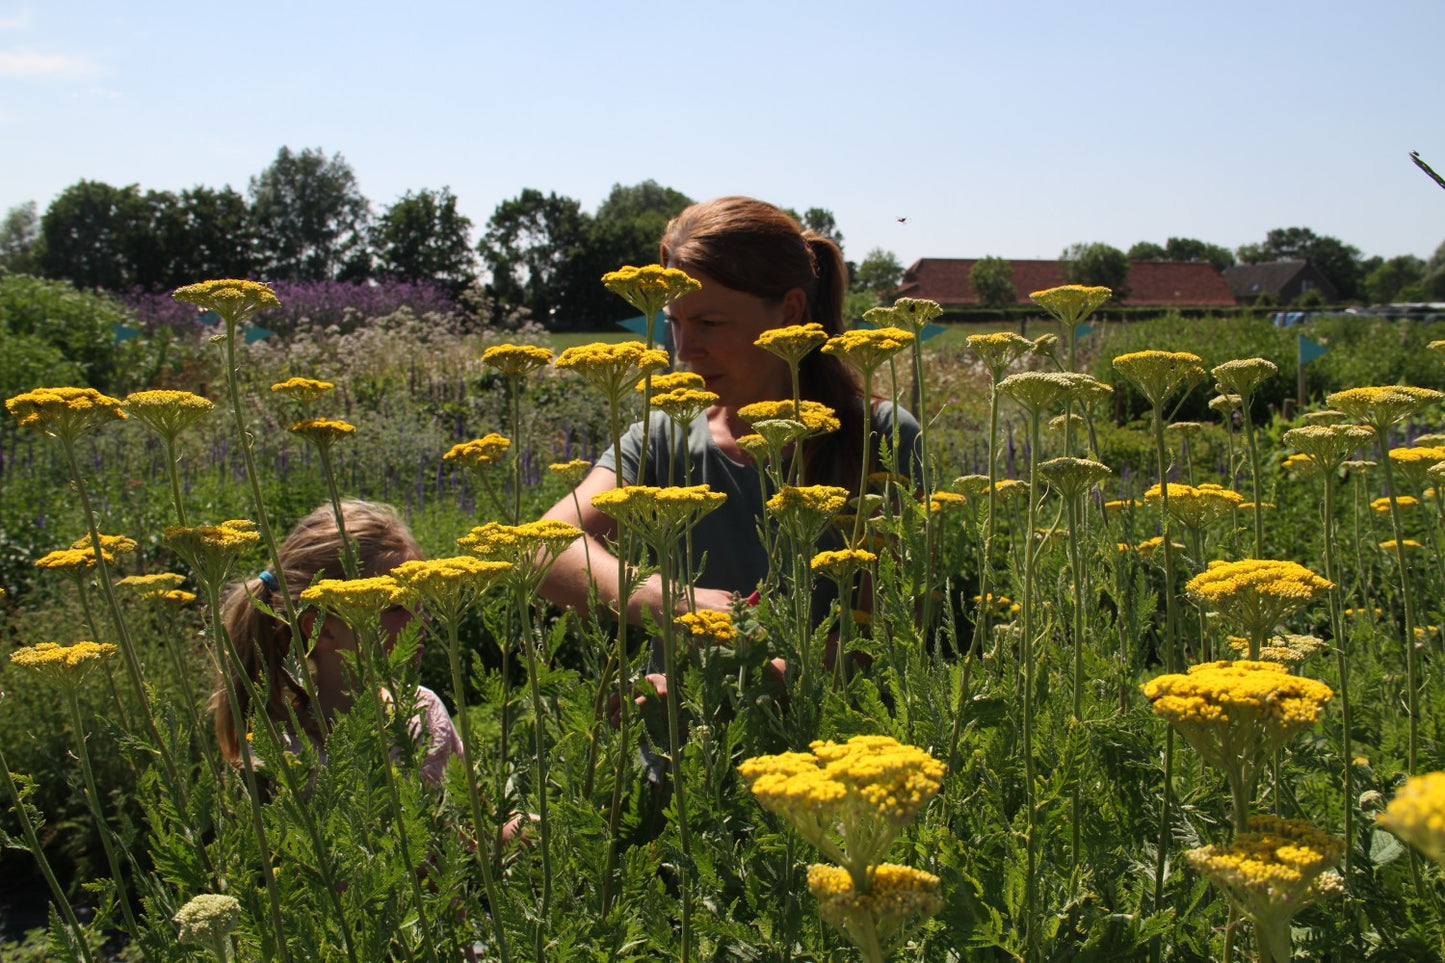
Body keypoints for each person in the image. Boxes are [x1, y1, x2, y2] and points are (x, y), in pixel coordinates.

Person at [539, 196, 922, 629]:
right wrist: (675, 603)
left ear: (790, 312)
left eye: (709, 323)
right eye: (675, 323)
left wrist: (763, 671)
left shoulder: (880, 436)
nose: (683, 350)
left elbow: (892, 633)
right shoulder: (663, 434)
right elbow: (544, 550)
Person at [211, 500, 462, 785]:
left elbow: (474, 820)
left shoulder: (425, 712)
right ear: (319, 629)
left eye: (421, 602)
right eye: (396, 607)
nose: (423, 621)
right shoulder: (285, 761)